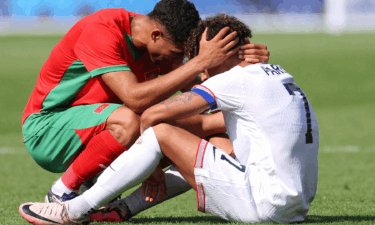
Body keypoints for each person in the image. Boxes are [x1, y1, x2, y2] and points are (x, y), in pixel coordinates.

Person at [19, 14, 309, 224]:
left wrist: (153, 164)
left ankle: (68, 207)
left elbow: (153, 116)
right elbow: (153, 104)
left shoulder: (234, 82)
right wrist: (203, 64)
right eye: (180, 57)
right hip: (292, 208)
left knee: (157, 133)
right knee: (205, 138)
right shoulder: (276, 73)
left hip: (260, 204)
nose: (199, 73)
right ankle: (119, 210)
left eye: (203, 61)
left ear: (227, 54)